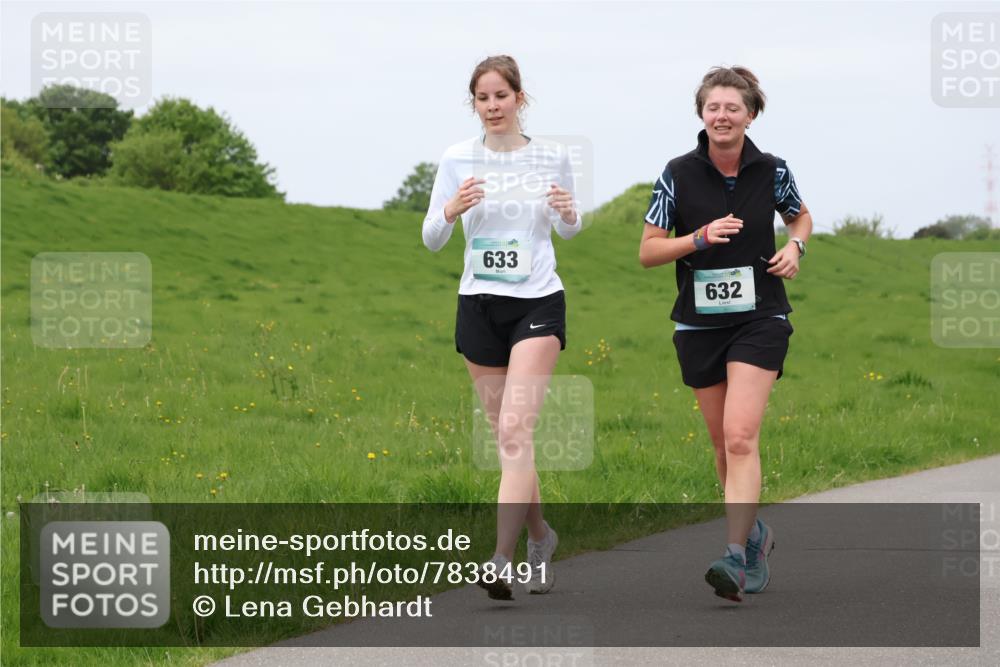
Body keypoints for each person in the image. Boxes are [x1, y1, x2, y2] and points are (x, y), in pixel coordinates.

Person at [638, 66, 813, 602]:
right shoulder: (676, 173)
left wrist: (794, 247)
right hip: (698, 323)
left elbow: (800, 217)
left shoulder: (773, 170)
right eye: (713, 107)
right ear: (701, 115)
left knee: (740, 436)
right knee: (721, 445)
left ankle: (734, 559)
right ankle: (756, 536)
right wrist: (699, 237)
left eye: (732, 108)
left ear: (750, 114)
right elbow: (648, 251)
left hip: (761, 317)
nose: (722, 116)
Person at [422, 55, 583, 600]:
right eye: (482, 98)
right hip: (479, 304)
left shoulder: (550, 156)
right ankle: (541, 536)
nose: (492, 106)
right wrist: (451, 209)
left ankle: (498, 560)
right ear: (475, 104)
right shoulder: (456, 158)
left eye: (501, 96)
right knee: (510, 442)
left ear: (520, 99)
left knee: (515, 433)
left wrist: (568, 212)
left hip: (537, 300)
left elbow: (570, 228)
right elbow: (431, 238)